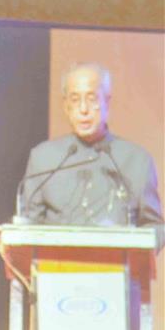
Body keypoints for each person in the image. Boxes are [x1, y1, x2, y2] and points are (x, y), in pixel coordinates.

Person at [17, 63, 164, 244]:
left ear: (106, 102)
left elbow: (154, 227)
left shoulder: (137, 160)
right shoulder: (43, 158)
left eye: (92, 98)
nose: (83, 109)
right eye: (75, 99)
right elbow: (28, 226)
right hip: (57, 268)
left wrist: (133, 247)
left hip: (118, 268)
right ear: (66, 106)